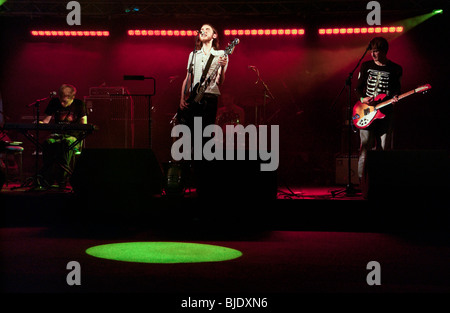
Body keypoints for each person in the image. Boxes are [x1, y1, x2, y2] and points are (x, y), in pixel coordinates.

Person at [355, 37, 402, 188]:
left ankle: (382, 183)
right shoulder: (366, 66)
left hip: (385, 113)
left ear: (384, 51)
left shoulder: (395, 68)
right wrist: (362, 98)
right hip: (367, 112)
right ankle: (362, 182)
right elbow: (357, 88)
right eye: (372, 51)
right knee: (365, 146)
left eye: (376, 51)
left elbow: (396, 89)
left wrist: (395, 97)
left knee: (384, 148)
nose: (373, 54)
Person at [179, 23, 229, 130]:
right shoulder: (193, 54)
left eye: (207, 29)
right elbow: (188, 78)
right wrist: (182, 97)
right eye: (202, 29)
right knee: (193, 131)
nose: (203, 31)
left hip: (210, 97)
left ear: (214, 35)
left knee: (206, 131)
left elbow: (219, 81)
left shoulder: (221, 54)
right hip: (194, 97)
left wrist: (222, 67)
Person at [40, 84, 87, 188]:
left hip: (72, 137)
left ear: (72, 98)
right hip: (57, 135)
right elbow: (45, 121)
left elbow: (84, 124)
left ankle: (63, 179)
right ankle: (47, 179)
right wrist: (40, 123)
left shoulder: (79, 104)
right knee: (47, 143)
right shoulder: (54, 102)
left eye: (64, 101)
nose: (61, 103)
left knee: (66, 144)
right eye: (60, 100)